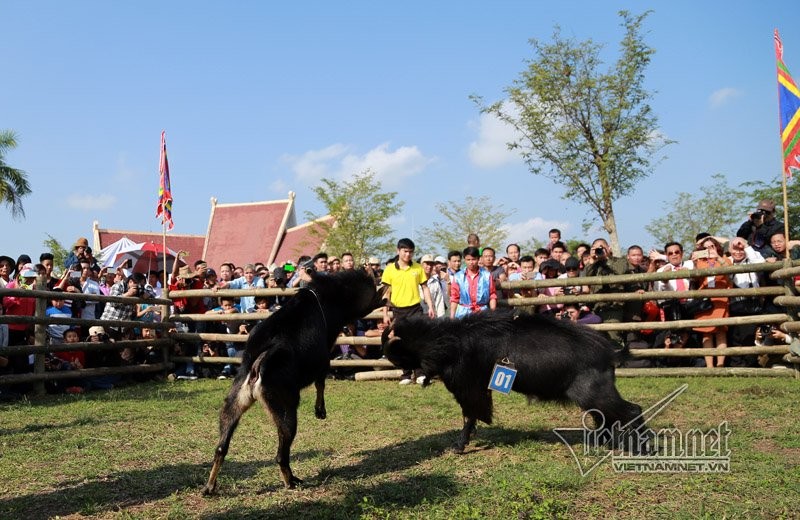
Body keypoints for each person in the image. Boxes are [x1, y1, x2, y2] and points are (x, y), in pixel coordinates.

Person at [381, 238, 435, 385]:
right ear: (398, 251)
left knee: (417, 341)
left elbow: (425, 288)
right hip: (398, 310)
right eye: (405, 251)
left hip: (415, 309)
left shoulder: (418, 268)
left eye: (411, 252)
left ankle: (420, 373)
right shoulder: (389, 269)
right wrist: (385, 313)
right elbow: (386, 293)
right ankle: (405, 374)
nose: (408, 255)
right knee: (400, 342)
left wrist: (430, 306)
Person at [690, 236, 732, 368]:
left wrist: (717, 257)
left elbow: (730, 271)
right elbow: (696, 278)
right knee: (706, 333)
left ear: (717, 247)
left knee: (721, 333)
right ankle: (709, 366)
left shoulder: (724, 259)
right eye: (705, 248)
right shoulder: (700, 261)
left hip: (721, 299)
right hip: (705, 301)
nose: (709, 250)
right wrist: (695, 263)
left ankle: (720, 365)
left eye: (711, 247)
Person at [583, 238, 629, 345]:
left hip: (613, 308)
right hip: (596, 308)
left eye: (602, 247)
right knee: (595, 341)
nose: (600, 250)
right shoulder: (594, 265)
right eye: (596, 248)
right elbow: (587, 276)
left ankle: (616, 362)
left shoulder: (620, 261)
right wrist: (592, 260)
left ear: (609, 248)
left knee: (613, 339)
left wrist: (606, 258)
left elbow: (620, 271)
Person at [450, 246, 497, 319]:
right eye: (468, 259)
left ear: (478, 259)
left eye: (473, 259)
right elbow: (454, 298)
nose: (471, 262)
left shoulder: (487, 275)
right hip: (463, 315)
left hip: (482, 313)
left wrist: (493, 313)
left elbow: (492, 295)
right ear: (464, 260)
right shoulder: (458, 277)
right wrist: (452, 318)